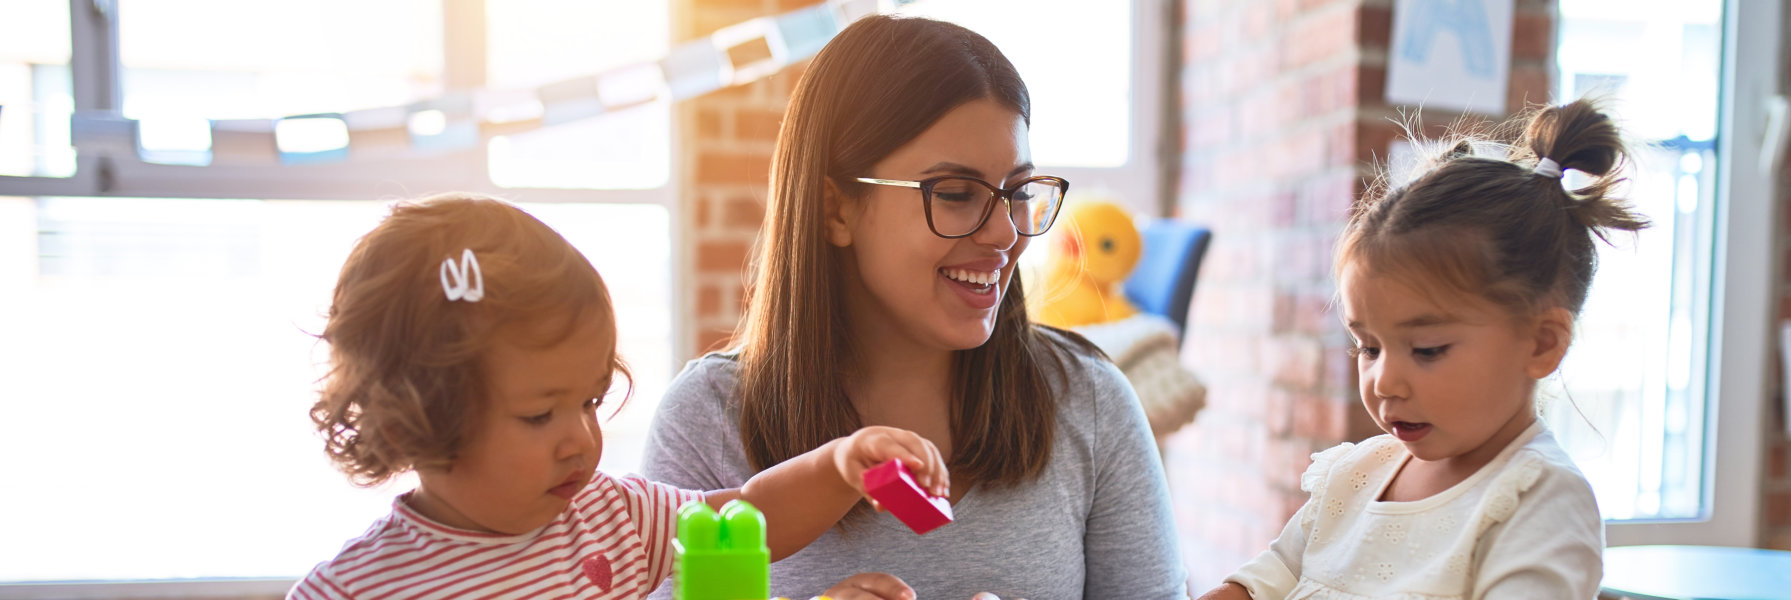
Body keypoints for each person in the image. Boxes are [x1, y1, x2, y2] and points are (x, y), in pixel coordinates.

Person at [642, 15, 1186, 600]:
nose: (1006, 234)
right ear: (835, 209)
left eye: (1019, 193)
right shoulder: (707, 422)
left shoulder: (1091, 401)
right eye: (955, 194)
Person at [289, 194, 947, 599]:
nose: (581, 438)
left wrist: (836, 466)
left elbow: (746, 518)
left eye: (591, 401)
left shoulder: (609, 518)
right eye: (540, 414)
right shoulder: (354, 590)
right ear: (414, 424)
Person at [1199, 99, 1642, 599]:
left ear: (1541, 344)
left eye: (1427, 350)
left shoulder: (1539, 500)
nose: (1383, 381)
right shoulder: (1356, 477)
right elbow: (1269, 579)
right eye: (1368, 347)